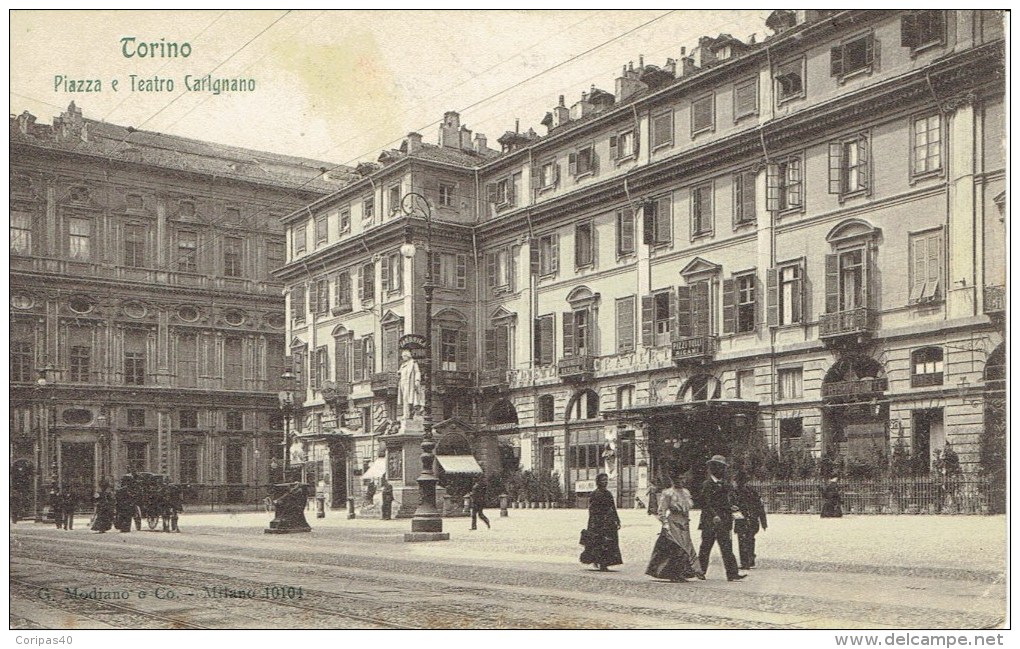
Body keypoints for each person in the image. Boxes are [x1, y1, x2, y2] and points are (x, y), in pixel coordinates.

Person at [646, 469, 705, 582]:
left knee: (687, 548)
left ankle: (690, 571)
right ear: (673, 480)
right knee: (676, 548)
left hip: (684, 523)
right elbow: (661, 511)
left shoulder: (686, 492)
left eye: (682, 479)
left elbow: (686, 510)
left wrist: (687, 521)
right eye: (678, 479)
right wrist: (665, 524)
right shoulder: (668, 493)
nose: (680, 481)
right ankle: (674, 574)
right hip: (672, 522)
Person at [697, 455, 745, 582]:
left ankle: (732, 573)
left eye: (723, 468)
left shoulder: (724, 484)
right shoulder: (707, 484)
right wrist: (714, 515)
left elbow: (725, 502)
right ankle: (700, 571)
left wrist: (731, 507)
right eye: (720, 467)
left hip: (723, 521)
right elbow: (705, 503)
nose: (722, 470)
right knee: (706, 547)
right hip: (710, 521)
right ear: (713, 468)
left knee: (727, 547)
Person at [580, 473, 622, 572]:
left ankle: (605, 562)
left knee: (609, 542)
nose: (605, 482)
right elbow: (592, 510)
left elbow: (613, 507)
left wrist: (617, 519)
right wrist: (595, 522)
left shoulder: (608, 493)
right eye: (603, 480)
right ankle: (600, 562)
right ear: (598, 481)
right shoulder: (594, 494)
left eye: (606, 480)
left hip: (609, 521)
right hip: (598, 522)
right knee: (599, 542)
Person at [733, 472, 767, 569]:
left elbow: (759, 506)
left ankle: (746, 562)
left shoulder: (737, 492)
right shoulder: (751, 491)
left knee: (744, 540)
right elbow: (760, 507)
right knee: (749, 540)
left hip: (745, 520)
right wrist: (763, 522)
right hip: (750, 520)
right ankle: (749, 560)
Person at [397, 349, 424, 420]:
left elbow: (418, 372)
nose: (403, 357)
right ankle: (407, 414)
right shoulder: (402, 365)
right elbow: (400, 373)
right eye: (402, 356)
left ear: (408, 356)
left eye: (404, 356)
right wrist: (399, 373)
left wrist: (417, 380)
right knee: (404, 399)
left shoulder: (413, 363)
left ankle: (407, 415)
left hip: (410, 383)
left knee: (408, 399)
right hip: (402, 383)